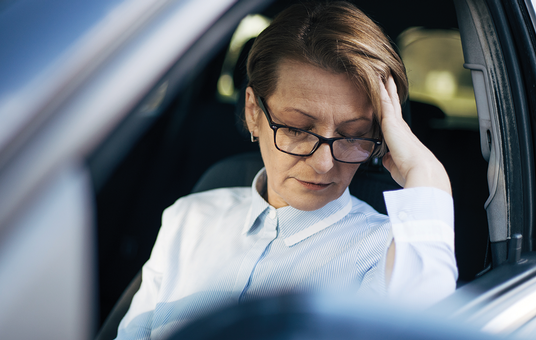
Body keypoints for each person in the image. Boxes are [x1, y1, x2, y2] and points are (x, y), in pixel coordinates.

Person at [116, 2, 457, 339]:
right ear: (253, 112)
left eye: (353, 136)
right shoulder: (188, 220)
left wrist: (424, 170)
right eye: (296, 129)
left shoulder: (389, 250)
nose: (324, 164)